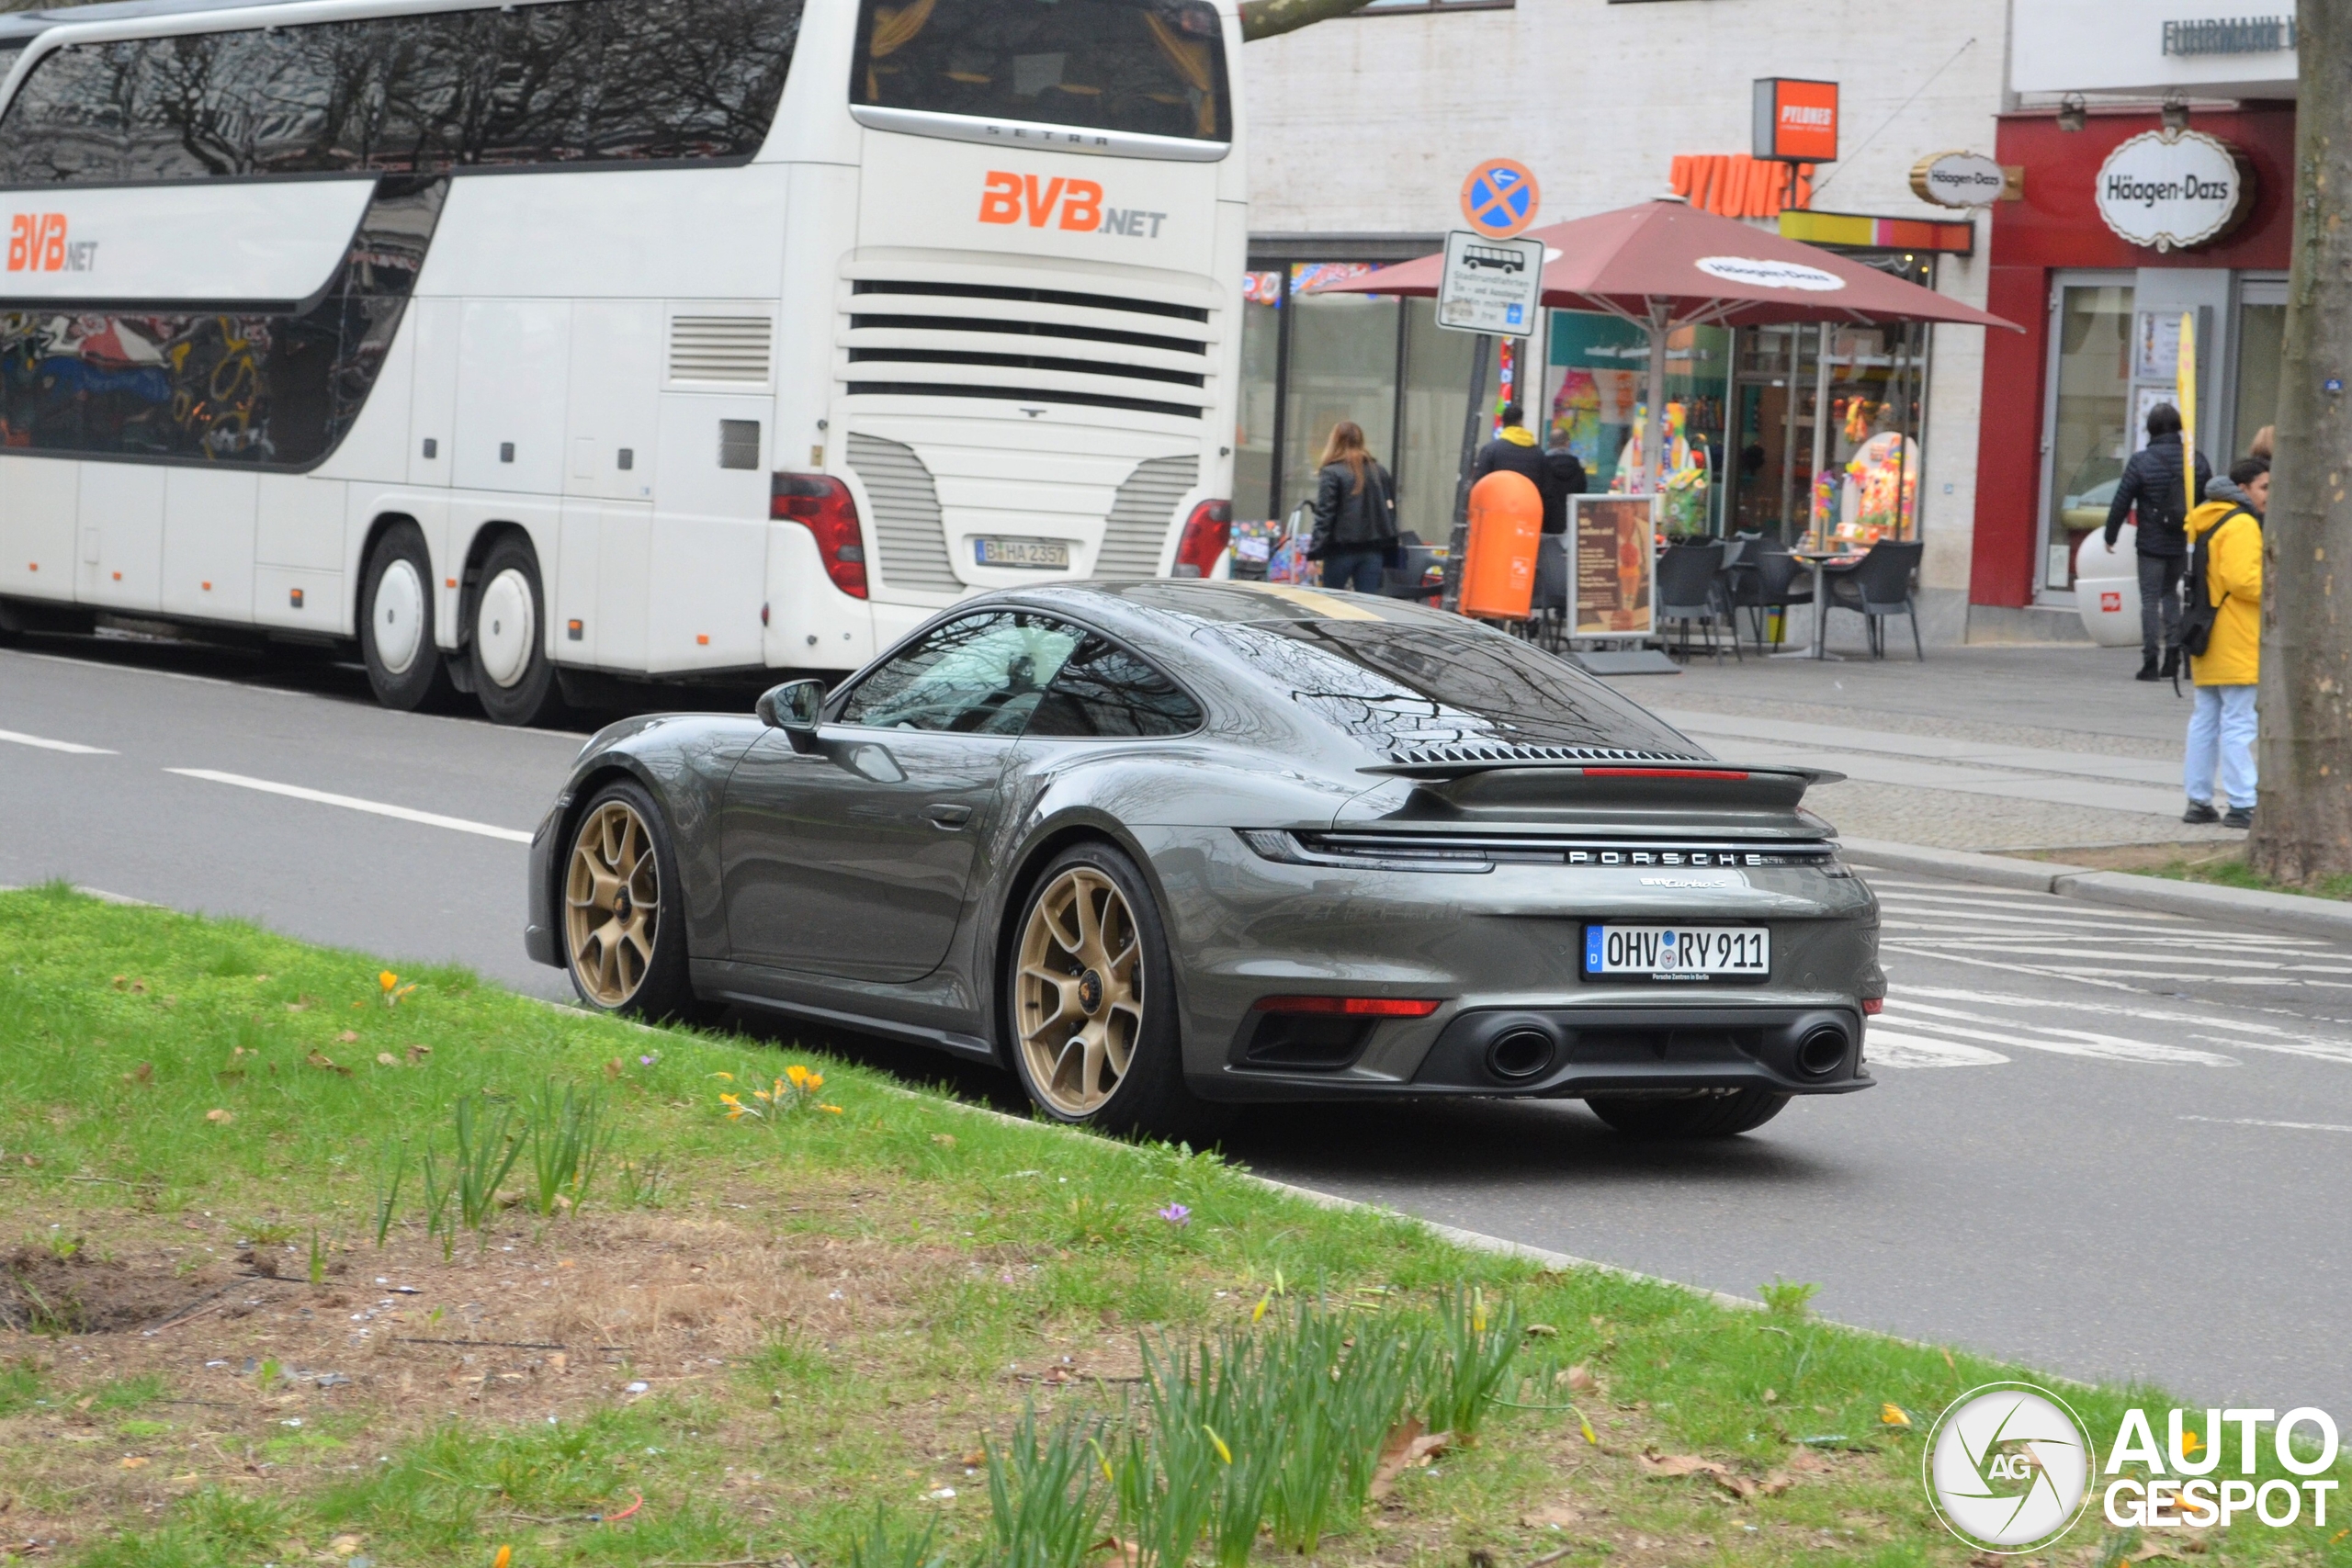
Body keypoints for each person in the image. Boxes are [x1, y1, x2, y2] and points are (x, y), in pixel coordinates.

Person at [2180, 456, 2267, 829]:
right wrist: (2284, 587)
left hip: (2207, 633)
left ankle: (2198, 800)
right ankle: (2243, 802)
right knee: (2238, 722)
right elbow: (2244, 581)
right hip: (2236, 634)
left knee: (2206, 720)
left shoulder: (2205, 519)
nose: (2269, 495)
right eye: (2265, 487)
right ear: (2243, 488)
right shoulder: (2242, 523)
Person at [2103, 403, 2213, 682]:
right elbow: (2208, 501)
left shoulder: (2141, 461)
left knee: (2150, 599)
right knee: (2172, 595)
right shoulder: (2196, 460)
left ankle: (2150, 662)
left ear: (2150, 429)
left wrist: (2110, 535)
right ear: (2178, 427)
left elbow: (2121, 501)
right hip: (2183, 541)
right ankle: (2174, 656)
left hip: (2151, 543)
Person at [1306, 420, 1396, 592]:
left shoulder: (1332, 472)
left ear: (1335, 441)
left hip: (1340, 551)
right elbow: (1390, 512)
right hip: (1373, 551)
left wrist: (1314, 554)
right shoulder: (1379, 471)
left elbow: (1325, 516)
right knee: (1368, 608)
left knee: (1332, 604)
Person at [1471, 402, 1555, 520]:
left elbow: (1479, 486)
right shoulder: (1538, 453)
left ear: (1503, 424)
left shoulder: (1490, 450)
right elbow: (1547, 490)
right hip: (1527, 516)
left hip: (1497, 515)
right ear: (1521, 422)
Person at [1540, 429, 1588, 535]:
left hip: (1547, 522)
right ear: (1568, 444)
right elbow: (1582, 494)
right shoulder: (1579, 467)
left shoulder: (1542, 466)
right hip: (1571, 521)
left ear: (1549, 445)